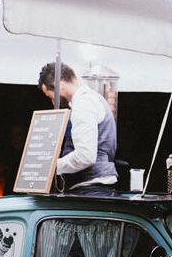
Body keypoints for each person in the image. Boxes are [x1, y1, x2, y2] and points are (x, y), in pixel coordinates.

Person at [38, 62, 118, 194]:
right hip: (94, 187)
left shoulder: (83, 104)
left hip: (92, 189)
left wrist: (52, 166)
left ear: (60, 86)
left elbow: (85, 156)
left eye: (51, 96)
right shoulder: (89, 99)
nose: (53, 102)